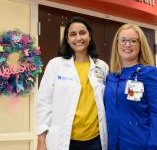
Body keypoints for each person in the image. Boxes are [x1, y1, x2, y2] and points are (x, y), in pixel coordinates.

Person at [36, 16, 108, 150]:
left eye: (82, 33)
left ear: (89, 36)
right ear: (67, 39)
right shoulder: (56, 65)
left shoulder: (102, 67)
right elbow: (43, 104)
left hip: (95, 141)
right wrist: (41, 140)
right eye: (73, 34)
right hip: (64, 141)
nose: (78, 38)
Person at [104, 24, 157, 150]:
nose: (127, 45)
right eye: (123, 40)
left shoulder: (150, 74)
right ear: (117, 44)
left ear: (140, 45)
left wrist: (156, 146)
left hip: (140, 145)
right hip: (112, 145)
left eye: (133, 41)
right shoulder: (111, 77)